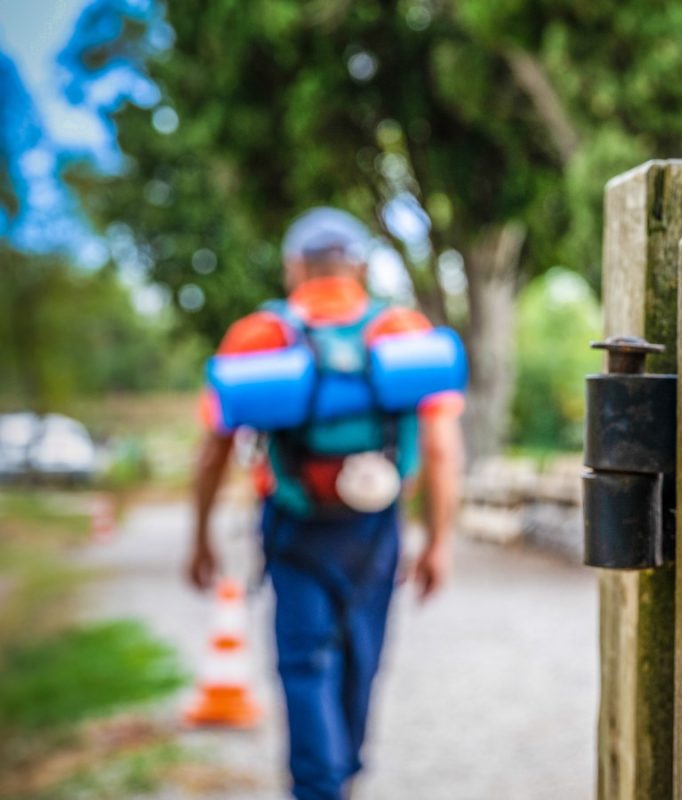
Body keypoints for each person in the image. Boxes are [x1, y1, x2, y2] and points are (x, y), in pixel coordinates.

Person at [187, 207, 464, 800]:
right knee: (363, 657)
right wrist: (439, 540)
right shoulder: (402, 332)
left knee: (305, 664)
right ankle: (347, 773)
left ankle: (319, 787)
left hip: (293, 524)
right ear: (358, 265)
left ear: (294, 268)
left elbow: (212, 450)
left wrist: (199, 537)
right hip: (375, 528)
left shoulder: (258, 335)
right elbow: (440, 450)